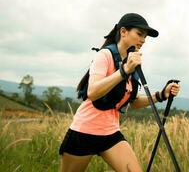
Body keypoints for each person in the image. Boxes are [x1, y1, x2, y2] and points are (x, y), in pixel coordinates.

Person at [59, 13, 180, 172]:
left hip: (111, 133)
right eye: (139, 34)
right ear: (123, 32)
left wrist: (161, 95)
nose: (143, 40)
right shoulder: (105, 55)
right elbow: (93, 91)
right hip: (84, 132)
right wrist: (124, 71)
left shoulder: (133, 64)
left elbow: (134, 102)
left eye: (145, 37)